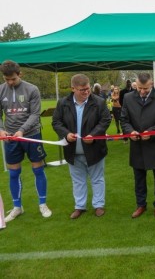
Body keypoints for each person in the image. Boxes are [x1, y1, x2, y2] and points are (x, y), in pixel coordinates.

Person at [52, 74, 112, 219]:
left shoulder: (99, 102)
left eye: (88, 89)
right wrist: (66, 135)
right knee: (78, 180)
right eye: (82, 90)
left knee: (97, 178)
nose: (86, 92)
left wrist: (94, 134)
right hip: (73, 150)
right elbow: (56, 122)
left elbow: (105, 120)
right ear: (73, 89)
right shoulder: (63, 103)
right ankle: (80, 206)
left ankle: (98, 205)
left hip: (95, 149)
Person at [0, 60, 52, 222]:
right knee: (14, 172)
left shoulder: (32, 89)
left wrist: (22, 130)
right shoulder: (1, 90)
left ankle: (42, 204)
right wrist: (1, 129)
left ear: (20, 74)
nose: (9, 82)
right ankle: (17, 207)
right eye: (6, 79)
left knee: (38, 169)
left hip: (31, 135)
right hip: (10, 137)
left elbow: (35, 114)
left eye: (13, 79)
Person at [120, 72, 155, 218]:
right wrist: (130, 132)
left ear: (152, 85)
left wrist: (152, 131)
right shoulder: (128, 98)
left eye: (146, 89)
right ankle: (141, 205)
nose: (142, 92)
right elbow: (124, 120)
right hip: (137, 145)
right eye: (140, 88)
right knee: (139, 178)